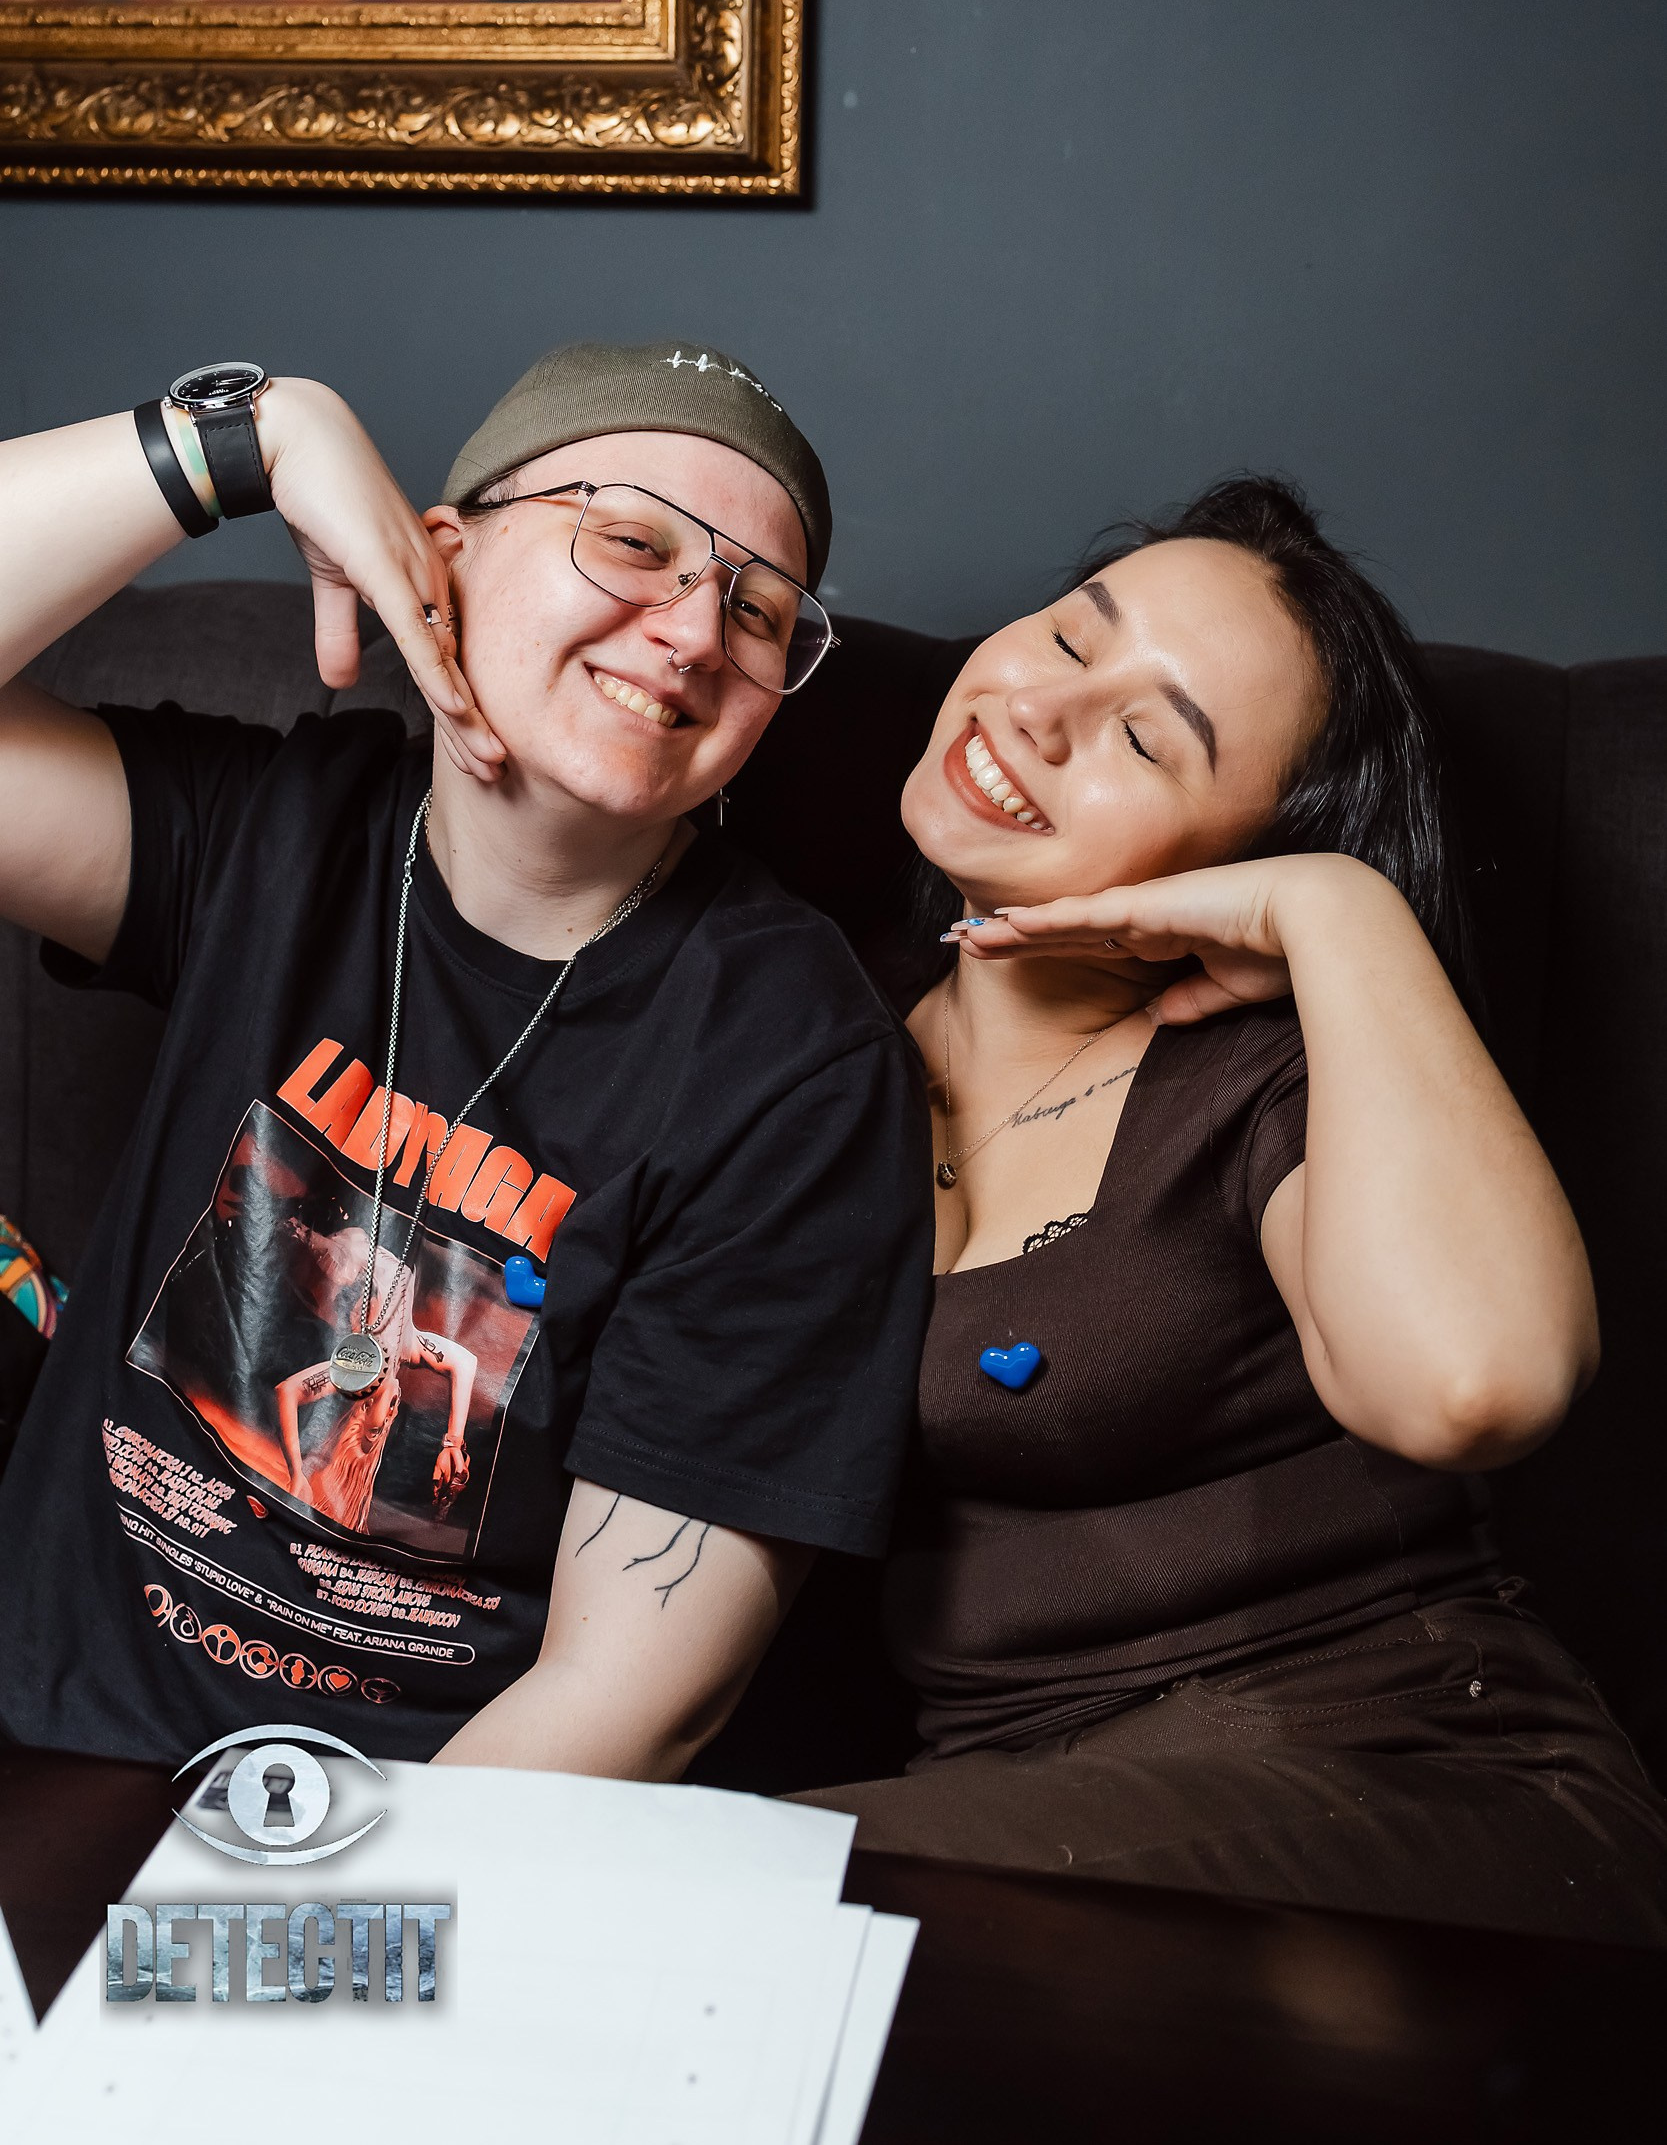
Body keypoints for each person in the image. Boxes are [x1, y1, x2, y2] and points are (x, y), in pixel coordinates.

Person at [0, 342, 934, 1771]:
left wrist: (306, 1907)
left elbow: (627, 1699)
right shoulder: (269, 837)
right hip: (42, 1755)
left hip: (414, 1825)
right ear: (441, 558)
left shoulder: (797, 1070)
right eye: (633, 543)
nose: (695, 634)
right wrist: (254, 438)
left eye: (758, 609)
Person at [798, 477, 1667, 1942]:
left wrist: (1339, 912)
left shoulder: (1275, 1082)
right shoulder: (807, 1024)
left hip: (1422, 1796)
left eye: (1149, 738)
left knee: (723, 1904)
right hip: (1032, 1836)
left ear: (1239, 863)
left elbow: (1478, 1384)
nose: (1040, 713)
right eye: (1070, 638)